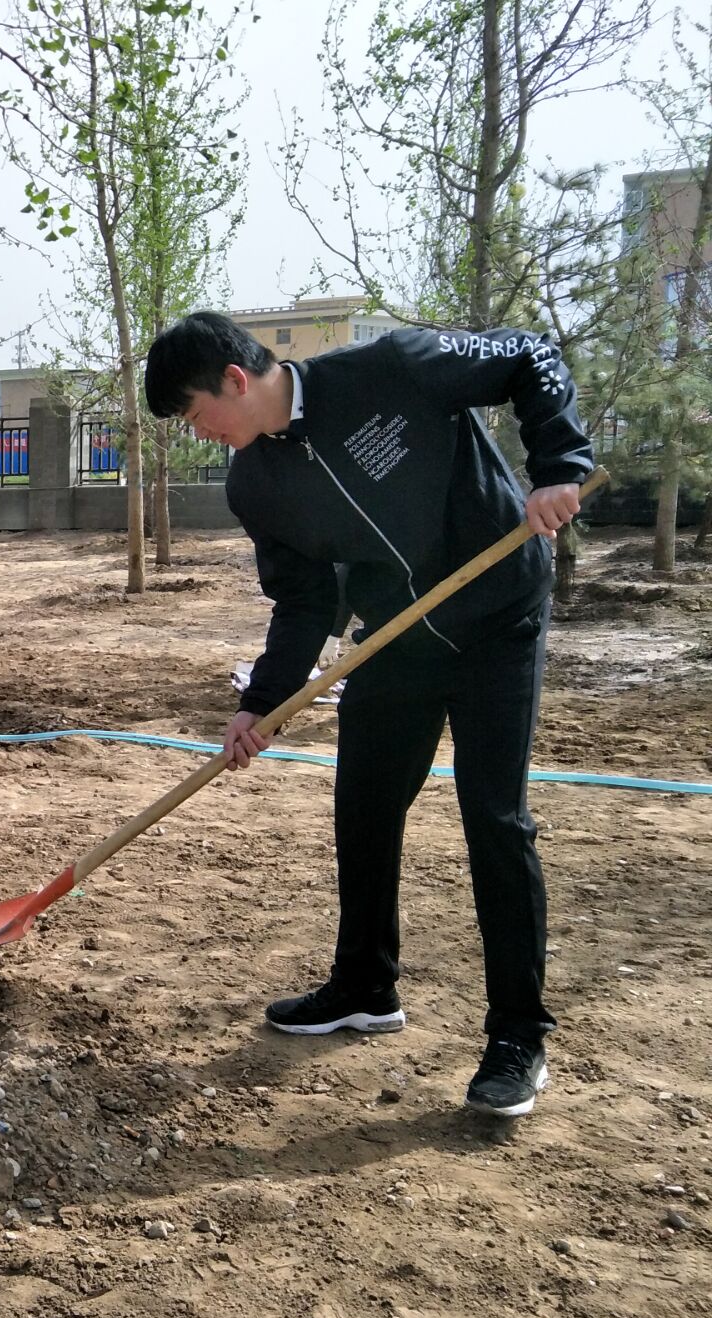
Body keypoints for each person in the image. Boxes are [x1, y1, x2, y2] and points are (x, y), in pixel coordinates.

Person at [142, 310, 592, 1119]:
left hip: (497, 623)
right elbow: (303, 601)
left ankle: (518, 1036)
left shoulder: (392, 368)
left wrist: (559, 465)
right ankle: (364, 985)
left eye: (195, 414)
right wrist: (261, 703)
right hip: (394, 640)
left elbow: (529, 355)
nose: (199, 433)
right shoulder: (255, 484)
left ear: (235, 381)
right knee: (364, 809)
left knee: (495, 820)